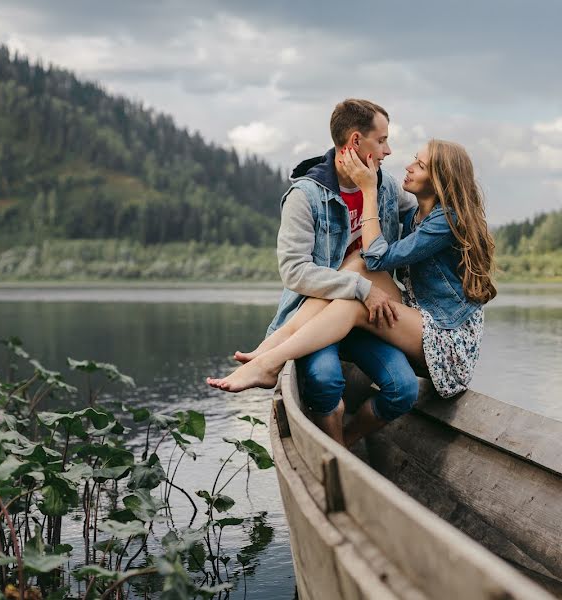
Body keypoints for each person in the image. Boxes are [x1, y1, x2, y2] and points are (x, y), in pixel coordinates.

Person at [207, 138, 498, 447]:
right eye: (414, 159)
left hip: (447, 341)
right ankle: (275, 342)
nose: (407, 166)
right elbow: (368, 261)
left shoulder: (446, 220)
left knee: (358, 292)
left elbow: (379, 256)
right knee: (356, 265)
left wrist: (369, 191)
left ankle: (273, 365)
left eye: (420, 165)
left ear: (440, 179)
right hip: (421, 316)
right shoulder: (416, 216)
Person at [209, 99, 420, 446]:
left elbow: (416, 220)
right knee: (324, 382)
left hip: (368, 314)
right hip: (315, 316)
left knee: (404, 389)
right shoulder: (305, 196)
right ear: (355, 141)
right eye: (381, 140)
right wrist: (358, 287)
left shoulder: (385, 187)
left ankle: (344, 449)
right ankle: (332, 466)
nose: (388, 150)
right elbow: (295, 272)